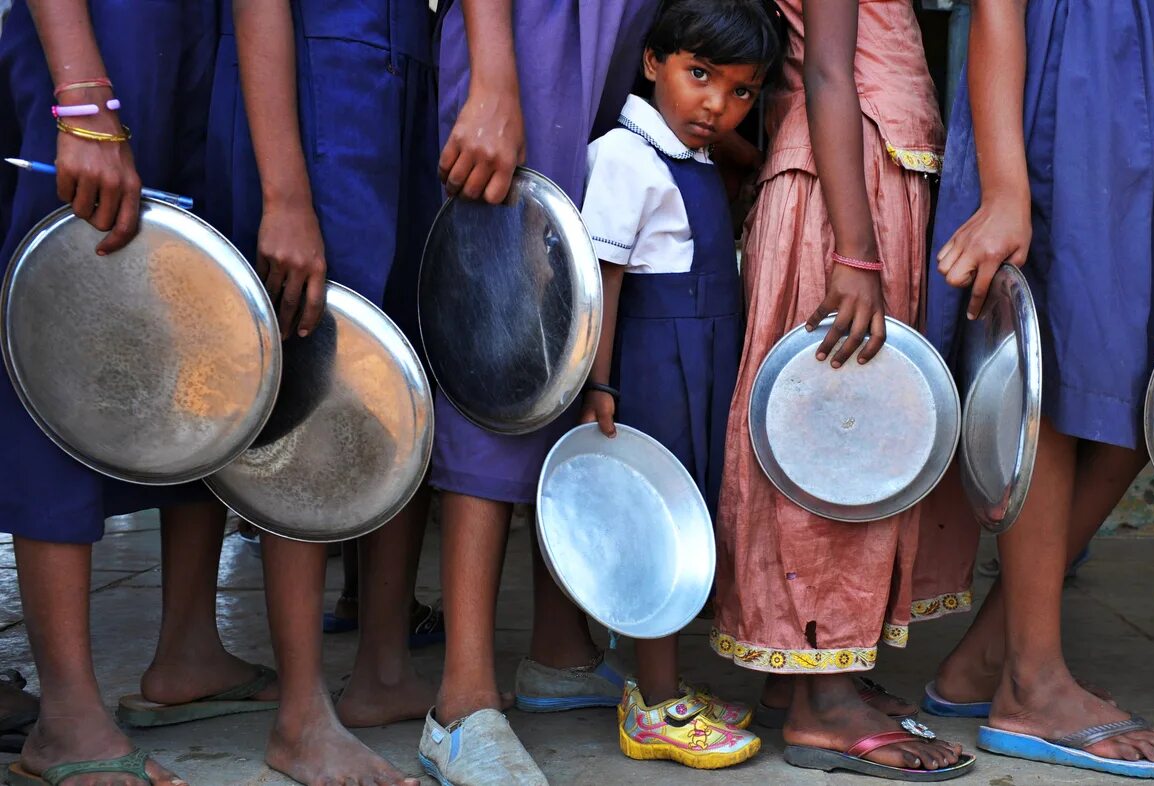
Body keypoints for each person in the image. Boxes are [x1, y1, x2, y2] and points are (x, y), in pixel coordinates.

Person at [0, 2, 281, 783]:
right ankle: (67, 712)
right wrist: (82, 96)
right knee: (67, 315)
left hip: (211, 33)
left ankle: (188, 647)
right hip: (101, 32)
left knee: (196, 316)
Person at [924, 0, 1154, 778]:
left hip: (1136, 66)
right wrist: (1008, 185)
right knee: (1047, 368)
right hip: (1062, 71)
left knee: (1138, 387)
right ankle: (1033, 681)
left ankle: (991, 659)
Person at [709, 0, 977, 779]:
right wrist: (857, 253)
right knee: (837, 438)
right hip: (845, 190)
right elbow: (829, 69)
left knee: (846, 430)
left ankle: (805, 674)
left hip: (860, 173)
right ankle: (823, 703)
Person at [420, 0, 660, 782]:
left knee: (571, 325)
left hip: (611, 33)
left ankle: (559, 652)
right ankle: (461, 703)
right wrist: (493, 79)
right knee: (503, 324)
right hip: (526, 33)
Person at [203, 0, 439, 782]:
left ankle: (384, 669)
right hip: (317, 87)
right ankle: (301, 714)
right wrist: (285, 196)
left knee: (399, 378)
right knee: (316, 380)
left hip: (398, 64)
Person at [575, 0, 784, 769]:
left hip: (705, 355)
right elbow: (606, 280)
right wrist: (600, 383)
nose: (717, 105)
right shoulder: (626, 158)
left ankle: (665, 685)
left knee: (691, 511)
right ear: (652, 62)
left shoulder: (697, 159)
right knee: (657, 526)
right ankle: (655, 705)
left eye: (741, 90)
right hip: (654, 364)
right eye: (700, 75)